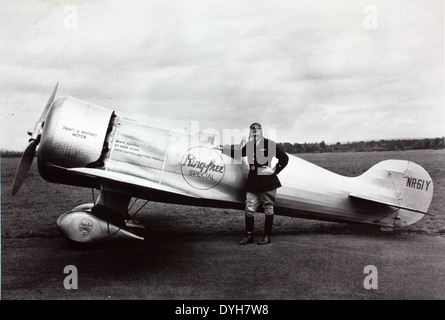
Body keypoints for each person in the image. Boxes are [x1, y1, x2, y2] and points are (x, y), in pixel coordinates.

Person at [219, 123, 289, 245]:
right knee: (249, 208)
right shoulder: (250, 145)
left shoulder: (269, 144)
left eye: (257, 130)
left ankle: (267, 236)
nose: (254, 133)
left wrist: (274, 170)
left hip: (267, 181)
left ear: (261, 131)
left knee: (268, 208)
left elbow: (284, 158)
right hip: (252, 181)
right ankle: (249, 236)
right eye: (252, 131)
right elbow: (240, 153)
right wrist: (223, 149)